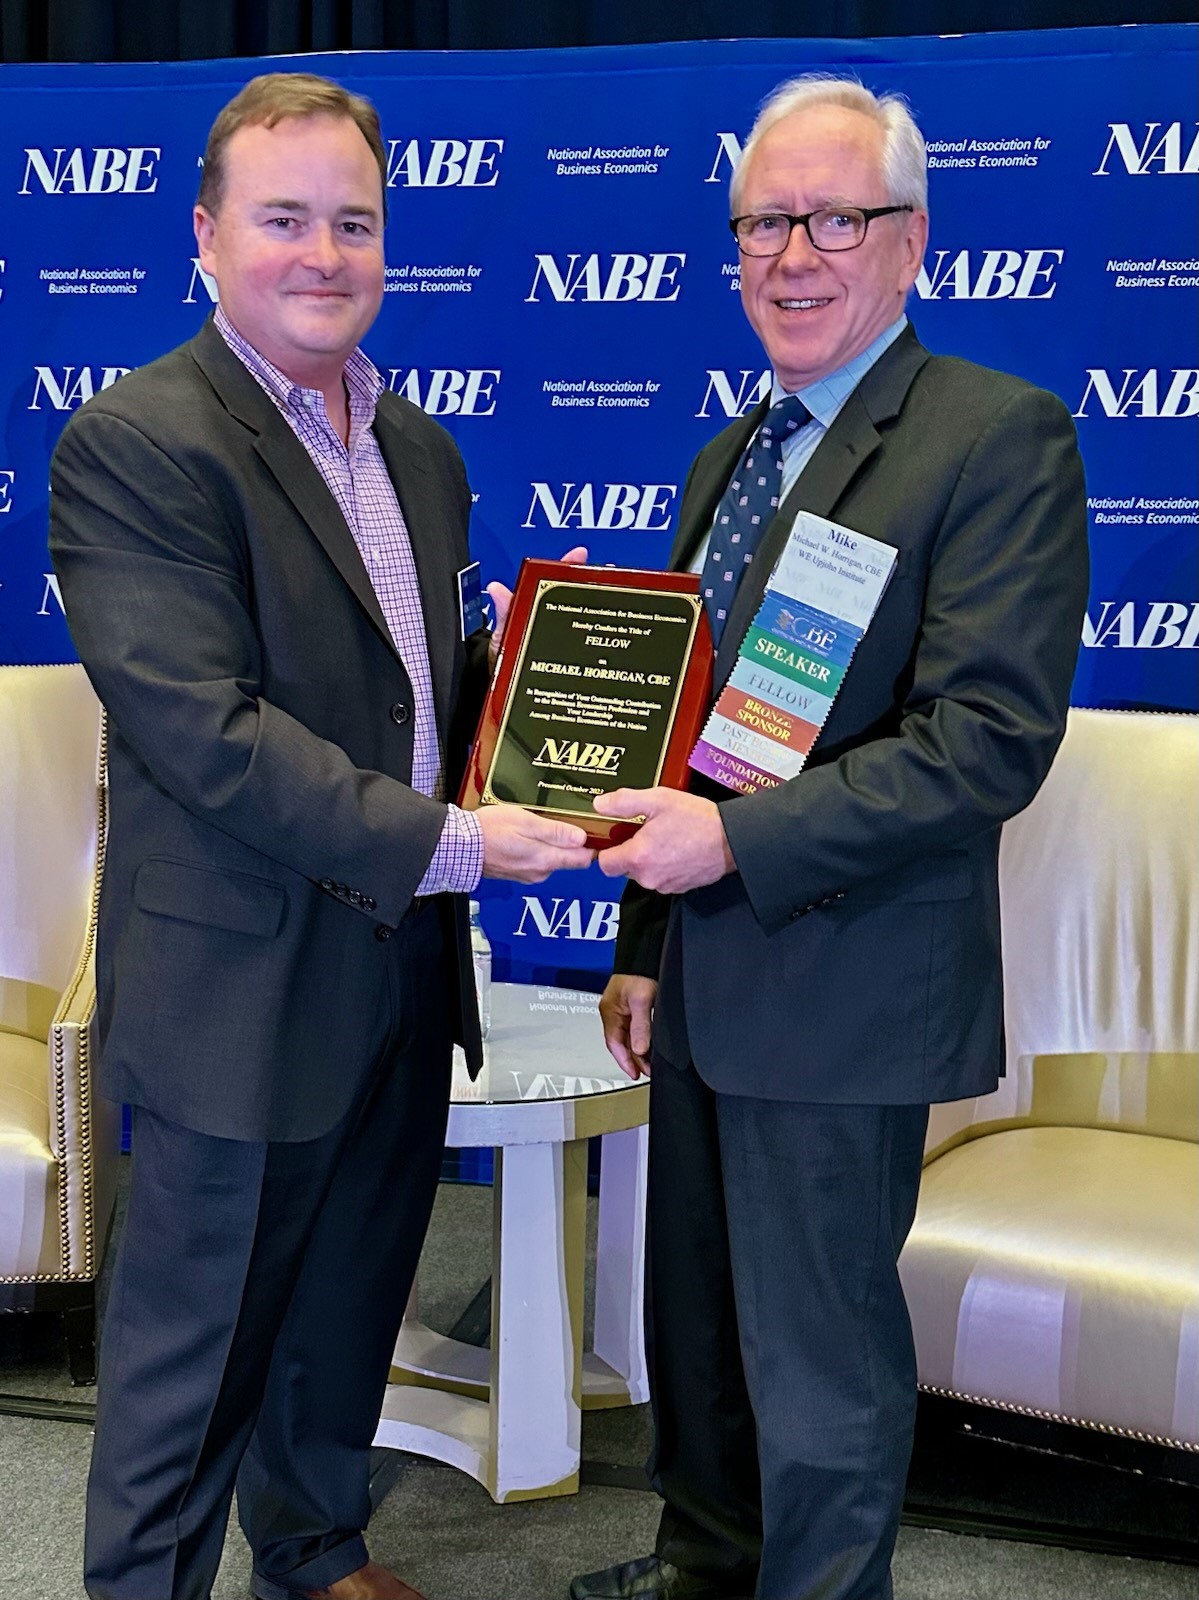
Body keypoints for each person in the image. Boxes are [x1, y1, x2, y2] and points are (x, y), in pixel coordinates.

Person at [49, 72, 593, 1600]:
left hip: (401, 968)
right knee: (190, 1359)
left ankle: (313, 1550)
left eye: (353, 221)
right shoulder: (139, 443)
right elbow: (208, 735)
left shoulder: (412, 445)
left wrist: (556, 694)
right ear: (208, 236)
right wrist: (466, 842)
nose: (324, 252)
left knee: (350, 1301)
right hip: (239, 988)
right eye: (284, 218)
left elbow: (407, 694)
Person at [569, 76, 1089, 1600]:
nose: (792, 254)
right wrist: (647, 947)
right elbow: (697, 752)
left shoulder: (997, 436)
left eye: (832, 218)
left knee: (820, 1362)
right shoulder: (731, 458)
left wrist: (731, 858)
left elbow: (985, 743)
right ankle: (705, 1563)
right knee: (706, 1329)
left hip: (850, 986)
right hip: (711, 978)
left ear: (911, 239)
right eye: (761, 223)